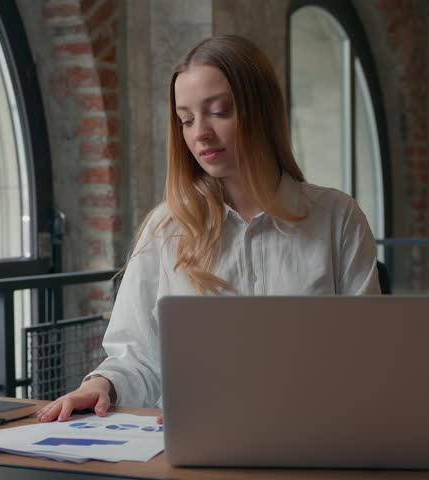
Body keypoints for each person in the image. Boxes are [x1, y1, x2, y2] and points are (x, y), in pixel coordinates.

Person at [37, 35, 380, 423]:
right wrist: (102, 385)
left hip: (311, 438)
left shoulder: (337, 217)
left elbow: (365, 357)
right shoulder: (165, 228)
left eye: (219, 111)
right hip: (192, 447)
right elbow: (137, 357)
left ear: (262, 111)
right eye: (186, 119)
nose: (199, 133)